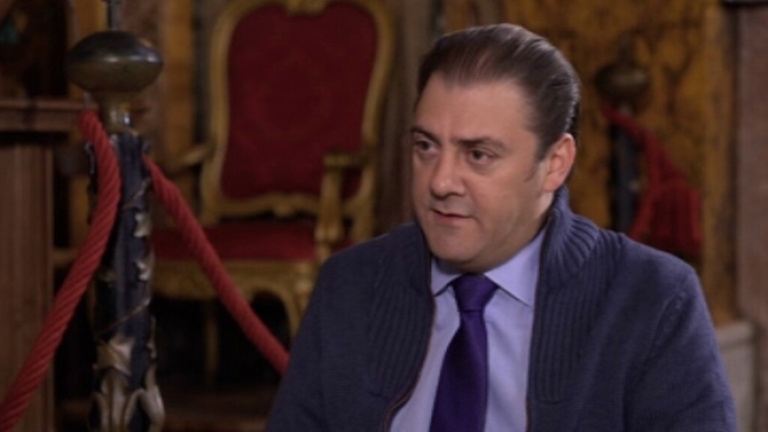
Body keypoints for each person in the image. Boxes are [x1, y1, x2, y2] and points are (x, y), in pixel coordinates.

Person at [265, 23, 736, 431]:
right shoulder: (350, 285)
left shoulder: (653, 300)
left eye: (478, 155)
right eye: (426, 146)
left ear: (555, 164)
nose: (440, 182)